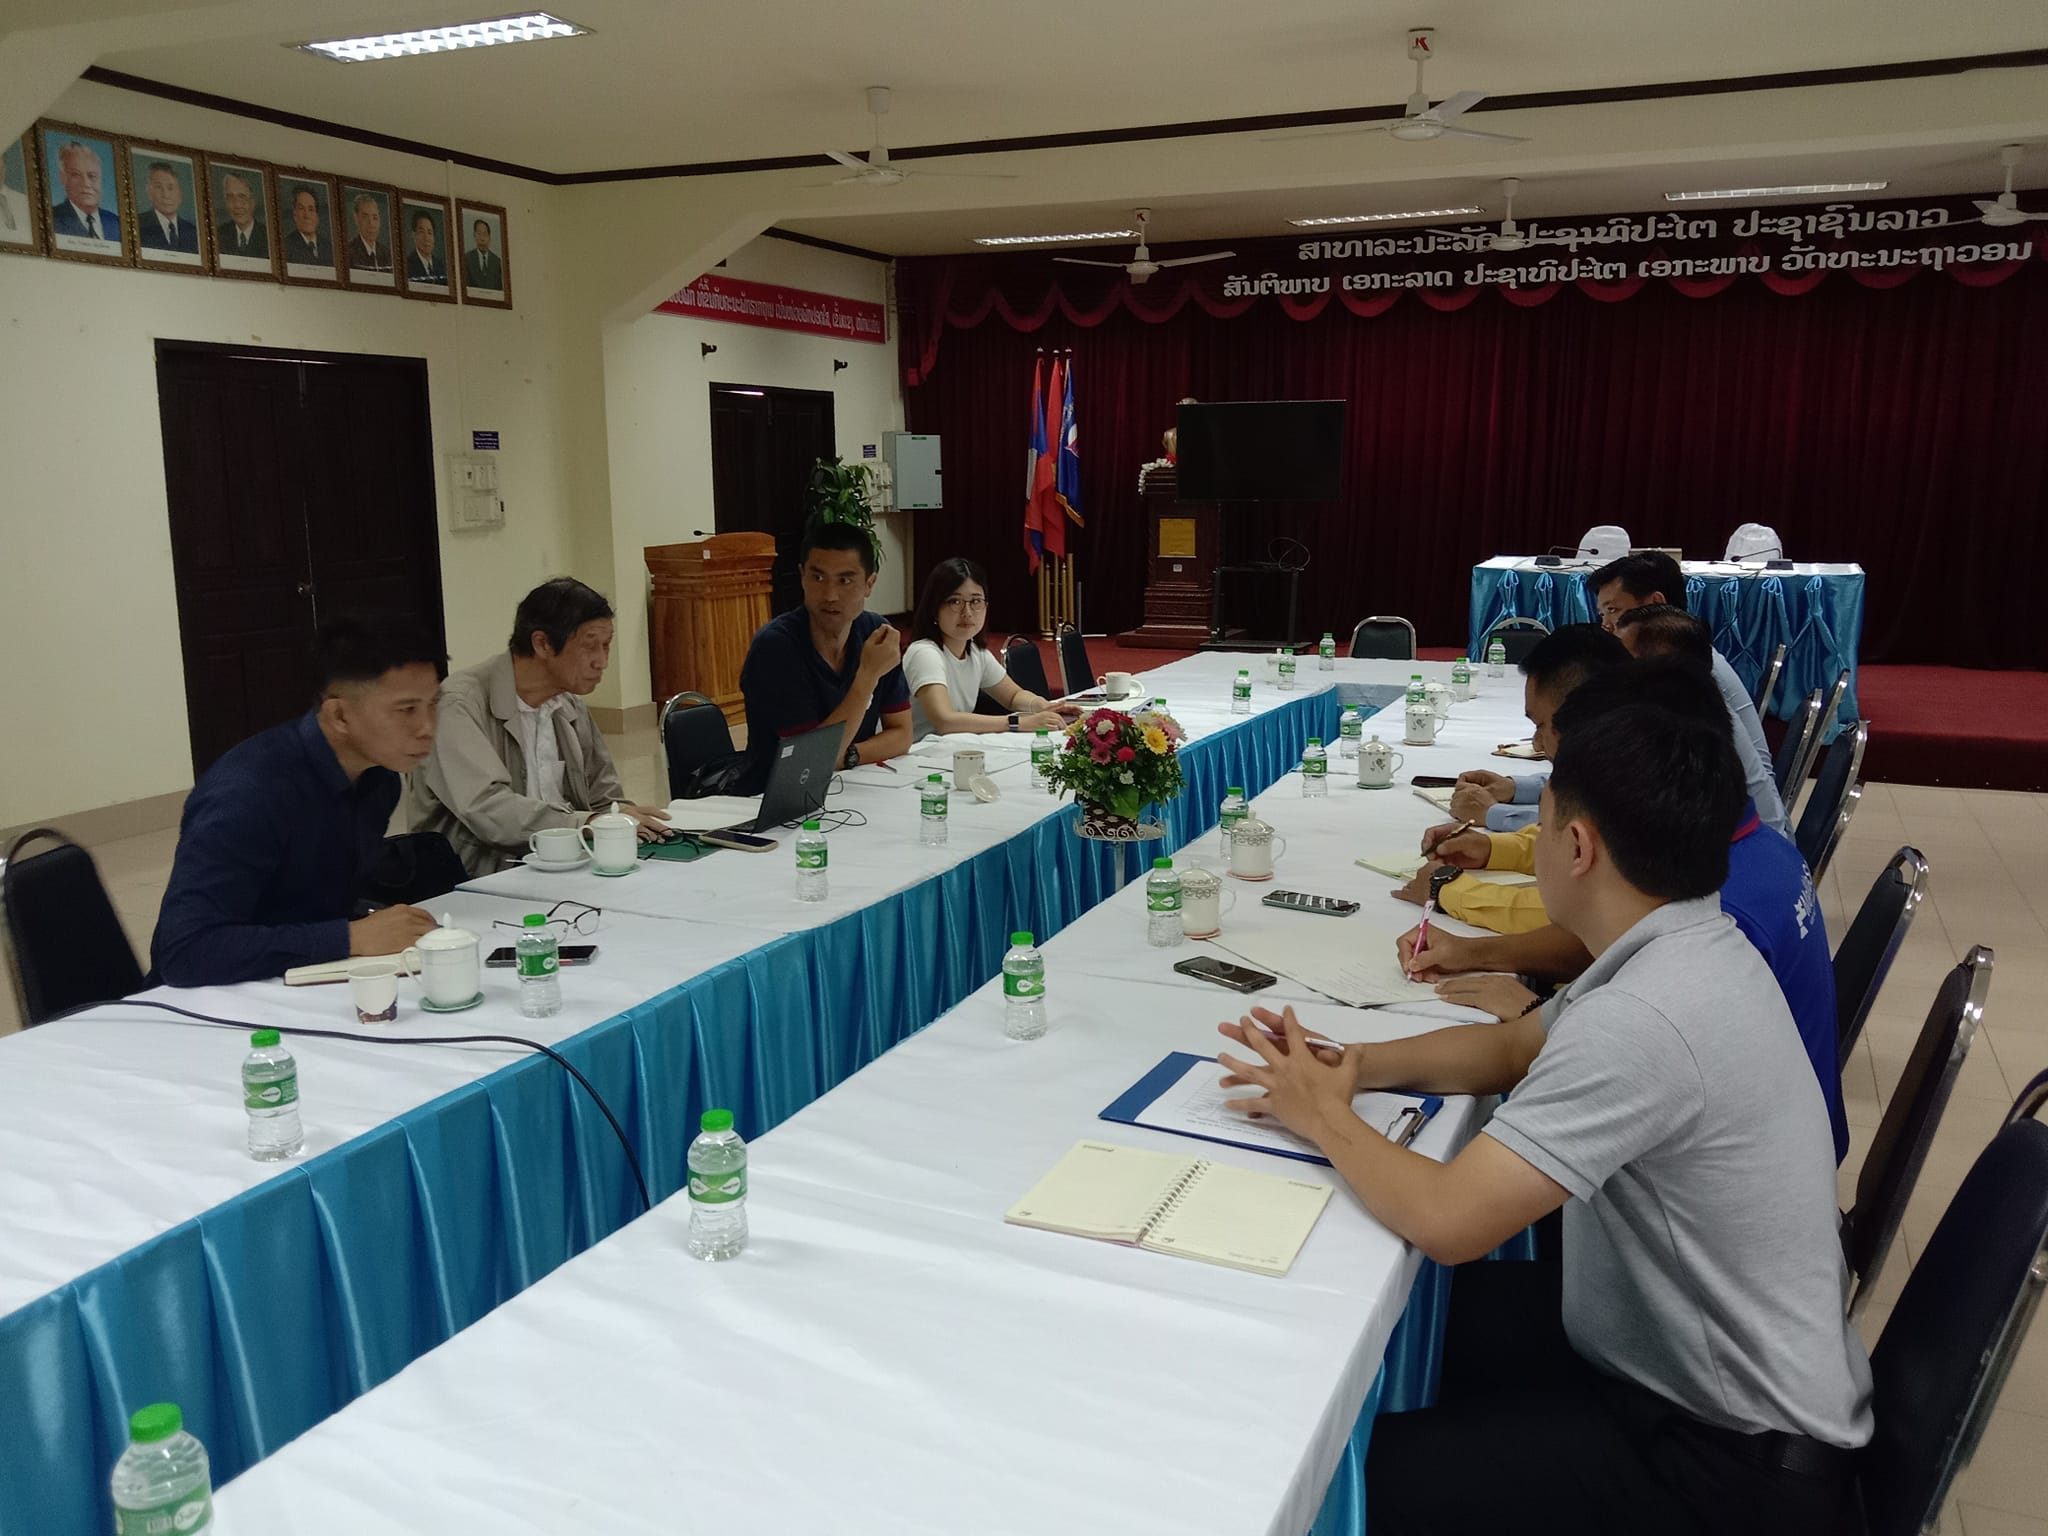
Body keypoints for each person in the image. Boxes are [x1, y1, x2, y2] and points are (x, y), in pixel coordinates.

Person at [1217, 695, 1871, 1535]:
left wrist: (1322, 1118)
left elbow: (1451, 1220)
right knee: (1391, 1320)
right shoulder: (1684, 941)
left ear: (1578, 846)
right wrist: (1352, 1065)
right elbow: (1512, 1048)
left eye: (1544, 823)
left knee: (1355, 1487)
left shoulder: (1647, 1016)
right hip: (1678, 1361)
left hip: (1726, 1463)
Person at [1402, 660, 1849, 1163]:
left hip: (1732, 1159)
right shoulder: (1744, 852)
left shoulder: (1718, 917)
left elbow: (1457, 1204)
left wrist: (1531, 1009)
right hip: (1765, 1137)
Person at [151, 617, 445, 987]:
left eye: (433, 704)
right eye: (406, 710)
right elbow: (185, 952)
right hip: (214, 994)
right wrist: (350, 937)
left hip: (303, 977)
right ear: (339, 715)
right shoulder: (248, 793)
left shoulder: (378, 779)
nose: (427, 727)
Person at [411, 578, 670, 876]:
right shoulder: (459, 704)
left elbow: (604, 797)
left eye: (606, 646)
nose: (602, 661)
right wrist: (586, 823)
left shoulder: (568, 704)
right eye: (590, 646)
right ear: (542, 643)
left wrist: (622, 816)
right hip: (481, 876)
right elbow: (487, 809)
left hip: (568, 865)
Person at [1589, 551, 1789, 835]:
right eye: (1602, 614)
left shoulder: (1685, 678)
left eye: (1613, 610)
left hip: (1748, 834)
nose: (1605, 627)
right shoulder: (1686, 657)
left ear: (1655, 603)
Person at [737, 519, 910, 791]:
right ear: (802, 576)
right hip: (769, 799)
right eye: (818, 578)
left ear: (869, 584)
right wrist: (867, 677)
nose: (830, 595)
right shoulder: (776, 647)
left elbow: (901, 735)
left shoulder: (876, 634)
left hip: (847, 787)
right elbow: (809, 763)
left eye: (845, 580)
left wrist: (849, 755)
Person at [900, 557, 1079, 738]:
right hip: (917, 751)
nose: (967, 612)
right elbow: (944, 721)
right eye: (955, 601)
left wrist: (1043, 706)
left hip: (951, 747)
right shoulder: (924, 653)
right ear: (934, 608)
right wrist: (1016, 722)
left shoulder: (976, 652)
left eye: (975, 601)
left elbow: (1013, 696)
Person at [49, 140, 119, 242]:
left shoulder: (116, 222)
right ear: (63, 178)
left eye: (92, 176)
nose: (86, 184)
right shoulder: (51, 218)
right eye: (76, 175)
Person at [136, 161, 199, 254]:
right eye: (158, 187)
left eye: (170, 188)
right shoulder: (137, 225)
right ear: (149, 192)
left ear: (180, 193)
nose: (166, 195)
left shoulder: (193, 232)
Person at [214, 171, 267, 257]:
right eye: (230, 197)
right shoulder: (218, 235)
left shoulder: (268, 237)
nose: (237, 205)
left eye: (242, 197)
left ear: (253, 201)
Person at [285, 185, 332, 266]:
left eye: (311, 209)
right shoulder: (286, 246)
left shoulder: (329, 247)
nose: (307, 215)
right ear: (295, 215)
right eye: (301, 208)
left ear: (317, 216)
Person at [349, 193, 391, 271]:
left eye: (375, 218)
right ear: (356, 219)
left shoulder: (387, 254)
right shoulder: (348, 251)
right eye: (365, 217)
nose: (371, 224)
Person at [406, 211, 446, 284]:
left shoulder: (441, 266)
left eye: (430, 233)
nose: (426, 238)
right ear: (414, 236)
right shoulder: (407, 265)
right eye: (421, 232)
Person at [465, 217, 503, 290]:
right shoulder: (467, 258)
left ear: (489, 237)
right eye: (479, 234)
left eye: (485, 234)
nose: (482, 238)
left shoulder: (496, 261)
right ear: (474, 235)